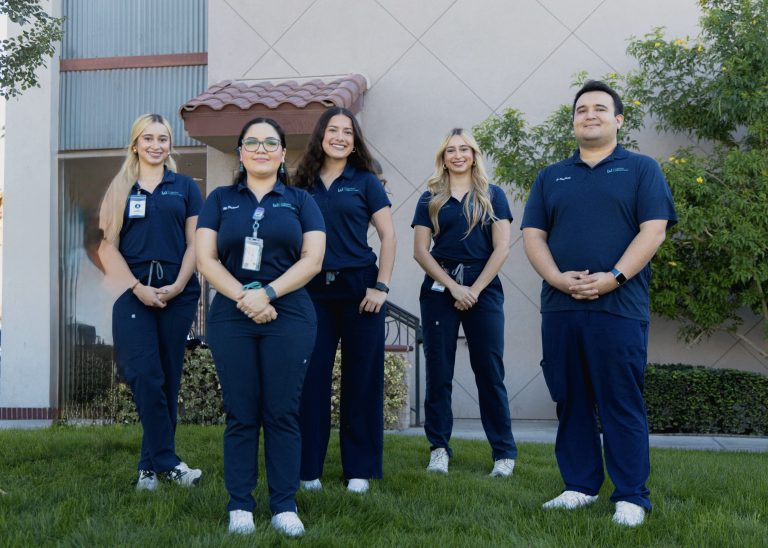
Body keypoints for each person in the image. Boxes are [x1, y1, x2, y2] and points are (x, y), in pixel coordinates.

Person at [521, 80, 677, 527]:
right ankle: (579, 486)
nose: (589, 115)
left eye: (600, 109)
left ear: (618, 119)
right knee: (570, 399)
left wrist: (613, 278)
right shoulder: (551, 176)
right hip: (561, 307)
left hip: (619, 308)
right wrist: (557, 278)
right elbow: (533, 235)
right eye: (581, 110)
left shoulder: (642, 169)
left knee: (620, 401)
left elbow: (653, 230)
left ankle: (631, 496)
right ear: (573, 122)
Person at [196, 117, 325, 537]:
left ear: (283, 153)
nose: (261, 149)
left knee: (282, 411)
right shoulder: (219, 200)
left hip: (290, 314)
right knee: (241, 412)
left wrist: (267, 294)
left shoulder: (301, 201)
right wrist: (246, 297)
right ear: (240, 152)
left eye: (270, 143)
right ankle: (240, 506)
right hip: (232, 314)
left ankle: (284, 504)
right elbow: (206, 259)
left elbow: (312, 260)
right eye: (252, 142)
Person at [98, 113, 203, 491]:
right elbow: (107, 247)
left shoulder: (185, 186)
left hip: (178, 291)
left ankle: (148, 468)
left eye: (163, 139)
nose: (156, 145)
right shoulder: (120, 187)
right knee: (143, 373)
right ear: (135, 144)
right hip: (133, 292)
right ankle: (169, 462)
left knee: (167, 379)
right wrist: (137, 287)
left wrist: (178, 285)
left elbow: (195, 243)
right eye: (148, 138)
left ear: (170, 144)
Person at [293, 107, 396, 494]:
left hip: (360, 290)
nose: (339, 137)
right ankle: (308, 471)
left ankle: (360, 469)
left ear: (355, 141)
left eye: (347, 132)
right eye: (333, 130)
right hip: (312, 291)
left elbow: (389, 236)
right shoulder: (300, 182)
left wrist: (381, 287)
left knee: (362, 379)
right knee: (311, 379)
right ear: (321, 136)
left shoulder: (366, 181)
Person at [412, 128, 518, 477]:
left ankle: (503, 453)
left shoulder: (493, 195)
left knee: (489, 371)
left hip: (483, 287)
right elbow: (421, 251)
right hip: (440, 288)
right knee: (439, 372)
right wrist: (454, 288)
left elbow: (502, 247)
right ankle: (439, 449)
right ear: (443, 158)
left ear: (474, 155)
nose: (458, 155)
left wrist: (473, 289)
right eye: (451, 151)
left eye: (464, 149)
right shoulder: (430, 198)